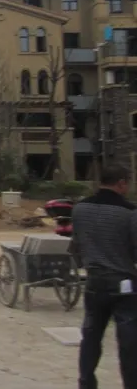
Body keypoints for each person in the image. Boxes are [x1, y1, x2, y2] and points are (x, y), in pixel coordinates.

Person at [70, 163, 137, 389]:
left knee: (90, 337)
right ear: (121, 183)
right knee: (129, 343)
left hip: (94, 282)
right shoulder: (130, 212)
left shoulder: (79, 209)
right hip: (124, 285)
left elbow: (76, 245)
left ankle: (86, 383)